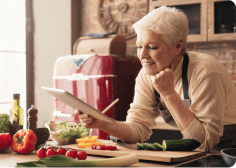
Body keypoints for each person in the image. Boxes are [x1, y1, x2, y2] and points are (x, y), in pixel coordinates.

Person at [74, 6, 236, 152]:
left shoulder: (205, 71)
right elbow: (137, 128)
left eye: (152, 47)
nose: (142, 55)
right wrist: (101, 123)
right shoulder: (146, 74)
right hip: (196, 149)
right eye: (139, 46)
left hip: (227, 151)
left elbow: (204, 142)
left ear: (177, 46)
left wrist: (169, 94)